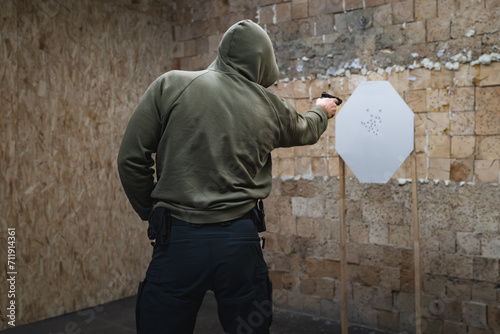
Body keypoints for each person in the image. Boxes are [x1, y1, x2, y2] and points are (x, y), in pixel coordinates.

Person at [117, 19, 338, 334]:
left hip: (178, 239)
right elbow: (306, 128)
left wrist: (150, 212)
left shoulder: (171, 84)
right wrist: (321, 109)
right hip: (239, 242)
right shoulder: (271, 106)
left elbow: (130, 159)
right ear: (263, 62)